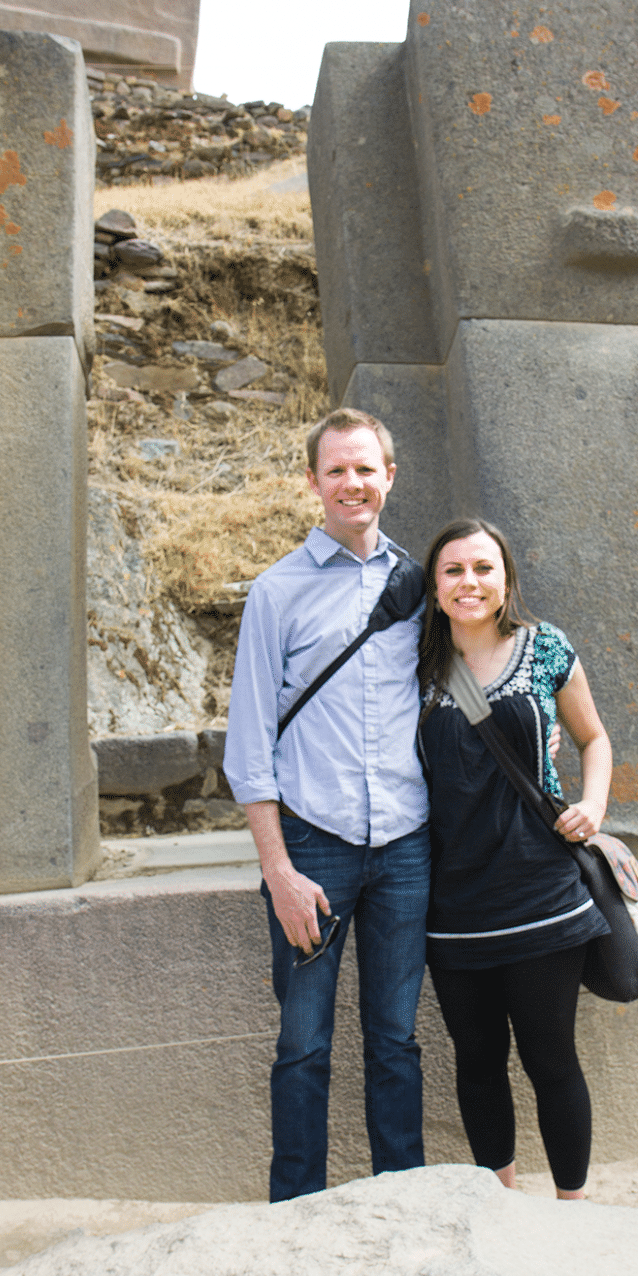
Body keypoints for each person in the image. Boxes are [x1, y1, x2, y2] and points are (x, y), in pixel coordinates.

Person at [223, 408, 431, 1203]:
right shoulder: (276, 593)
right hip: (314, 847)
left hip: (408, 846)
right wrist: (277, 870)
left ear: (389, 477)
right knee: (303, 1044)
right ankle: (297, 1209)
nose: (352, 483)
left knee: (396, 1040)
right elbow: (249, 748)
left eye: (365, 468)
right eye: (335, 470)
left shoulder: (419, 583)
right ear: (312, 482)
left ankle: (402, 1202)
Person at [416, 517, 614, 1200]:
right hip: (450, 903)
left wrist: (593, 805)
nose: (467, 582)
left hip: (541, 894)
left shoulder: (545, 647)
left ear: (504, 580)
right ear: (434, 585)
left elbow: (593, 739)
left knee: (550, 1059)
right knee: (476, 1062)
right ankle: (499, 1202)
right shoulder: (412, 663)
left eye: (481, 569)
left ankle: (571, 1208)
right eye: (452, 571)